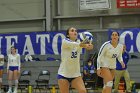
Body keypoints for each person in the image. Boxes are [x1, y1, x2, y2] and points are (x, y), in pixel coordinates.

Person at [57, 27, 93, 93]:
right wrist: (85, 45)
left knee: (83, 91)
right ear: (68, 35)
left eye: (76, 31)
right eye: (72, 31)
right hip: (63, 74)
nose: (75, 32)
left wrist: (90, 45)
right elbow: (76, 44)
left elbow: (85, 45)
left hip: (76, 74)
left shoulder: (79, 42)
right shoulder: (65, 41)